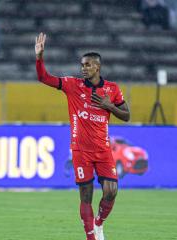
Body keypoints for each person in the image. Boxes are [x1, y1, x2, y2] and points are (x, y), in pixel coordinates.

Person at [35, 33, 130, 240]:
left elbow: (127, 116)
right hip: (80, 151)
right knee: (86, 196)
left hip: (103, 150)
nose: (83, 68)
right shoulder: (72, 85)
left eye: (87, 65)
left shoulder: (112, 89)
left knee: (111, 191)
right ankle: (91, 237)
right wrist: (39, 58)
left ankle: (99, 223)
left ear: (97, 67)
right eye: (82, 65)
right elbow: (44, 78)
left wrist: (109, 106)